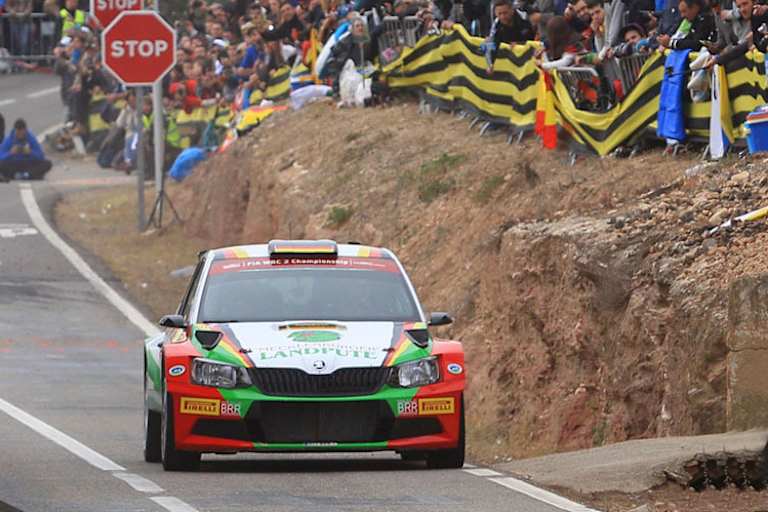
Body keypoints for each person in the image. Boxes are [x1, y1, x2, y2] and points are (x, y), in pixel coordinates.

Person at [485, 0, 535, 73]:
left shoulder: (525, 19)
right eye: (499, 14)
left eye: (505, 13)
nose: (502, 16)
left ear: (512, 10)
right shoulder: (496, 24)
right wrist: (490, 64)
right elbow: (492, 44)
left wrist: (520, 44)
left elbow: (535, 40)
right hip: (511, 60)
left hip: (530, 59)